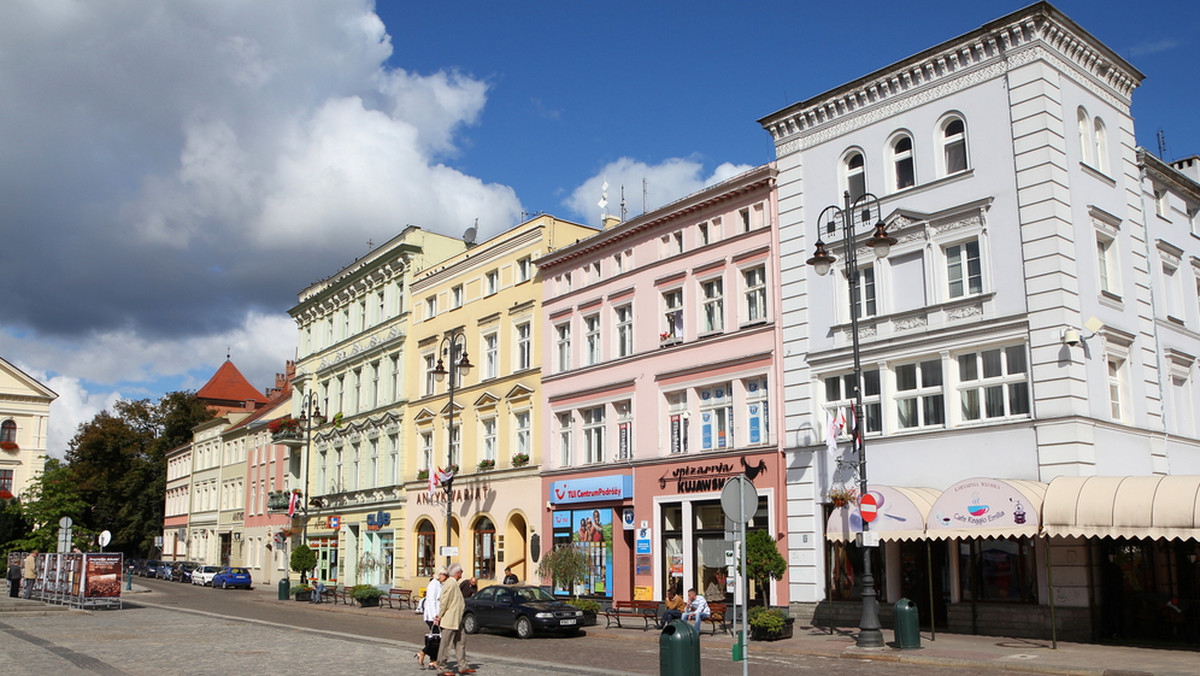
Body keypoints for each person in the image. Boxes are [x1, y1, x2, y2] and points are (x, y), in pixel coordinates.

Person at [435, 562, 473, 675]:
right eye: (461, 571)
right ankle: (442, 668)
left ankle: (462, 666)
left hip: (457, 619)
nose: (462, 573)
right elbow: (444, 601)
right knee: (445, 645)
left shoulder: (454, 583)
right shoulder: (450, 584)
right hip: (449, 620)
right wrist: (439, 616)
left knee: (461, 642)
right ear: (457, 573)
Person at [417, 567, 447, 669]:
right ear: (440, 574)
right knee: (435, 640)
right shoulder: (433, 584)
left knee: (436, 639)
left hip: (436, 615)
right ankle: (422, 652)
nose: (446, 578)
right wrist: (436, 616)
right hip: (431, 616)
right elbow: (431, 601)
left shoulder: (439, 584)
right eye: (445, 575)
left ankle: (432, 661)